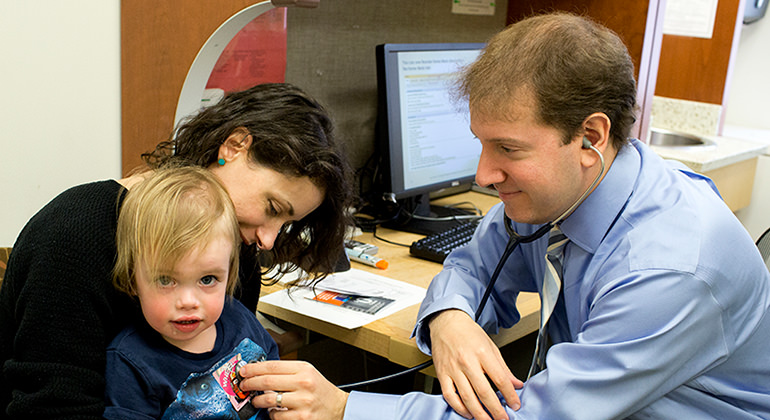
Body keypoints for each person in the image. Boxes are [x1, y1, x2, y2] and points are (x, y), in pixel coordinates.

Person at [236, 12, 770, 420]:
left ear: (591, 137)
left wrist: (346, 408)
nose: (484, 175)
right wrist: (450, 319)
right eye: (480, 144)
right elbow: (472, 264)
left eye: (508, 149)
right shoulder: (571, 189)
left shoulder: (670, 269)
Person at [0, 83, 354, 419]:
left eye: (287, 223)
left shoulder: (235, 250)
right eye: (273, 208)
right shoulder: (73, 238)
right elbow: (52, 408)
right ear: (234, 146)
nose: (268, 241)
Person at [104, 166, 279, 419]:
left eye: (207, 279)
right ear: (133, 281)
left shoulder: (242, 322)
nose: (188, 302)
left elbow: (277, 381)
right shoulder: (130, 362)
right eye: (166, 280)